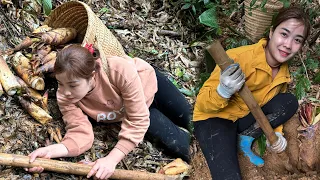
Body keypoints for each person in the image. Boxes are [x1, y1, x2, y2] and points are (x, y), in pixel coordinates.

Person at [25, 44, 192, 179]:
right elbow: (79, 133)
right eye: (61, 83)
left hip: (150, 88)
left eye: (73, 85)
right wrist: (51, 151)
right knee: (185, 148)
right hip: (131, 112)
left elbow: (138, 119)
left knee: (191, 119)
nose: (66, 91)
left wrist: (111, 160)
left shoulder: (118, 70)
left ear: (92, 75)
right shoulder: (66, 96)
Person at [193, 6, 310, 180]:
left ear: (300, 46)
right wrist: (222, 91)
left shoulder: (283, 74)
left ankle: (244, 139)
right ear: (271, 32)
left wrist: (276, 133)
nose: (288, 44)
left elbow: (273, 104)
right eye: (284, 34)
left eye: (297, 40)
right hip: (215, 118)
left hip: (244, 116)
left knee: (288, 102)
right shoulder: (238, 58)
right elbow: (203, 104)